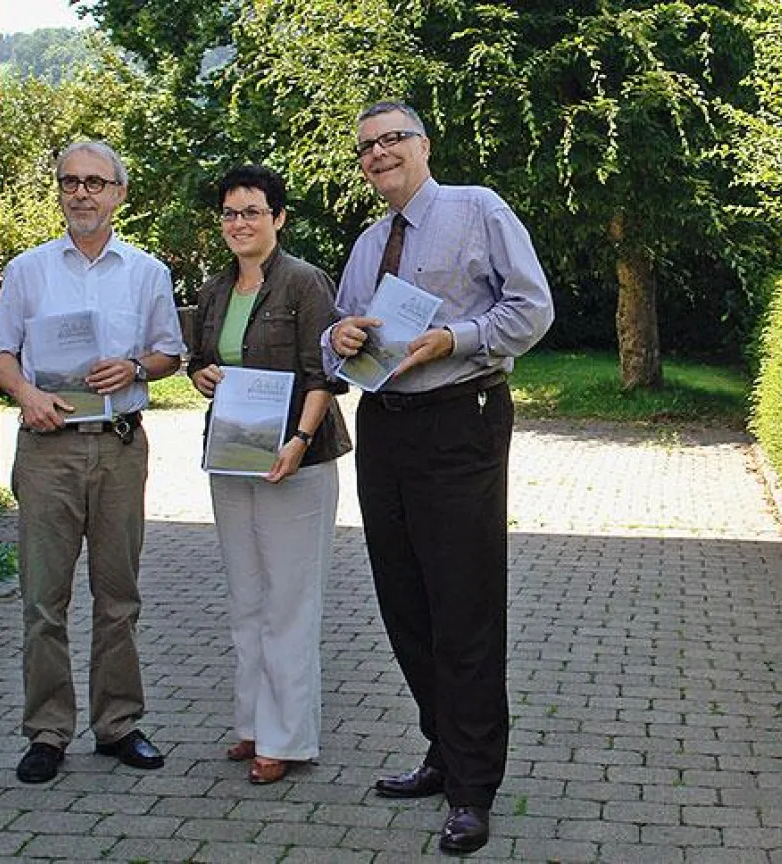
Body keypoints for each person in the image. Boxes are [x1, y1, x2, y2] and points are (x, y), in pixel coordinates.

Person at [325, 102, 554, 853]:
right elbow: (339, 338)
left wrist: (454, 338)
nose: (378, 153)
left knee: (464, 605)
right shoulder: (368, 243)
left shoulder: (477, 209)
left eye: (392, 138)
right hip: (385, 428)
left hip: (461, 420)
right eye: (366, 146)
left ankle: (473, 788)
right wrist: (338, 335)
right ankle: (442, 749)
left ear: (424, 144)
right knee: (405, 602)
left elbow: (532, 309)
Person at [0, 140, 185, 784]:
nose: (82, 193)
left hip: (119, 445)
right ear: (60, 191)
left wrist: (135, 367)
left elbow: (169, 353)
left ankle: (118, 724)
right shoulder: (29, 269)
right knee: (44, 599)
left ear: (119, 193)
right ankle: (47, 731)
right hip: (48, 450)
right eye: (70, 181)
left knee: (118, 596)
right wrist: (26, 394)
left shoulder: (146, 271)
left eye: (96, 182)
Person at [189, 165, 351, 785]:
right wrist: (201, 375)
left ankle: (287, 738)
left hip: (294, 462)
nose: (239, 224)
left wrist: (299, 440)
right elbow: (201, 361)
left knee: (290, 602)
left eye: (252, 212)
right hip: (232, 458)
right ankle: (253, 724)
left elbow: (324, 372)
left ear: (278, 218)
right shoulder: (214, 289)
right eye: (230, 213)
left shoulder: (306, 283)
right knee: (247, 599)